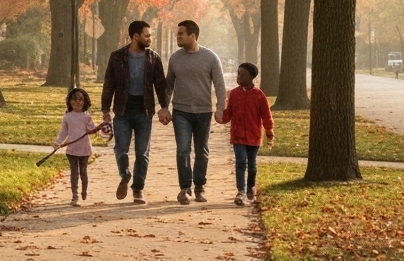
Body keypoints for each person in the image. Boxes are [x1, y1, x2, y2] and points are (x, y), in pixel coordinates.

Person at [101, 20, 170, 204]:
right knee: (121, 149)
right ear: (135, 36)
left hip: (144, 111)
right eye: (147, 35)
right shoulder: (117, 57)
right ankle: (125, 176)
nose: (150, 39)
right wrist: (105, 110)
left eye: (150, 35)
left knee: (142, 152)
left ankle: (138, 189)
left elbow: (161, 85)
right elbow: (109, 84)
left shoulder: (153, 58)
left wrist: (164, 107)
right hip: (123, 110)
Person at [166, 19, 226, 205]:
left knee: (202, 150)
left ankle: (199, 186)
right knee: (183, 149)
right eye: (177, 33)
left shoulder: (210, 57)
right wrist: (163, 107)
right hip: (180, 111)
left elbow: (220, 84)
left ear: (193, 35)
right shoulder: (175, 58)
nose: (178, 36)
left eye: (181, 33)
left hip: (203, 111)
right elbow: (168, 85)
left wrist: (220, 108)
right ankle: (185, 188)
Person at [220, 61, 274, 205]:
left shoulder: (259, 95)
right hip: (237, 136)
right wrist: (220, 116)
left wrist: (269, 133)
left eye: (241, 75)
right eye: (238, 73)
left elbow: (266, 116)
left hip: (254, 136)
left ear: (250, 77)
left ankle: (250, 187)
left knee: (252, 165)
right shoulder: (234, 94)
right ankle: (241, 191)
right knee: (240, 162)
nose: (238, 77)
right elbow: (228, 114)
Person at [56, 87, 103, 207]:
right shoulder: (68, 116)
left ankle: (84, 190)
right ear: (69, 101)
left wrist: (100, 127)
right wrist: (58, 142)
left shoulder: (86, 116)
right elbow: (63, 131)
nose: (77, 102)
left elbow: (92, 129)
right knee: (74, 173)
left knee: (83, 172)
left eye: (80, 99)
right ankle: (75, 196)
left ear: (85, 101)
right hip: (71, 150)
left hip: (84, 149)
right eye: (74, 99)